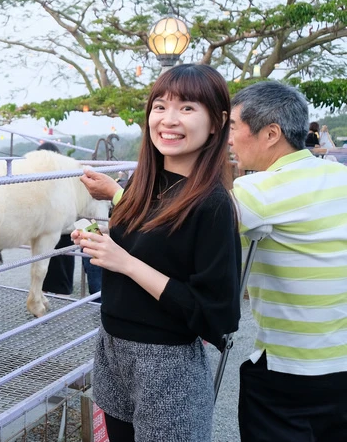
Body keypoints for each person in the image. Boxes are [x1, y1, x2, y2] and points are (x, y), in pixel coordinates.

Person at [72, 64, 241, 442]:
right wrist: (101, 239)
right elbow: (156, 246)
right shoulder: (141, 185)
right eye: (160, 106)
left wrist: (127, 264)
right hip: (112, 348)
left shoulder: (212, 204)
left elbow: (218, 314)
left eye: (187, 108)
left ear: (216, 122)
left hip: (167, 364)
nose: (169, 119)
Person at [228, 81, 347, 442]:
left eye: (233, 127)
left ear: (270, 134)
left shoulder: (259, 191)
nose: (228, 140)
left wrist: (119, 195)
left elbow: (185, 230)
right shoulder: (340, 176)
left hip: (288, 374)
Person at [37, 141, 79, 296]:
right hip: (61, 236)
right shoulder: (66, 181)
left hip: (51, 236)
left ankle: (42, 303)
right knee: (59, 277)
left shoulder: (40, 182)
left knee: (44, 271)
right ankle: (53, 306)